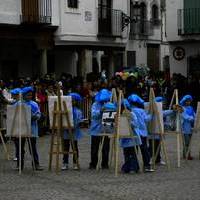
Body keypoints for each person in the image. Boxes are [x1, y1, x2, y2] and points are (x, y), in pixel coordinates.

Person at [16, 86, 43, 170]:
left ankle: (36, 164)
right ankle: (20, 164)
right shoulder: (18, 104)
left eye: (31, 95)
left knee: (33, 147)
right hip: (21, 128)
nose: (29, 96)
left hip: (32, 128)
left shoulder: (34, 104)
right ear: (24, 95)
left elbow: (39, 114)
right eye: (28, 95)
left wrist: (36, 116)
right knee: (20, 148)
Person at [128, 94, 154, 172]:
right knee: (144, 150)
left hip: (134, 133)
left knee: (134, 150)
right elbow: (147, 119)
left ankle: (134, 167)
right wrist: (152, 114)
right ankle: (146, 166)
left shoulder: (129, 111)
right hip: (142, 133)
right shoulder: (141, 111)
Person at [89, 89, 111, 169]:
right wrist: (100, 111)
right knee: (94, 148)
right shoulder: (95, 104)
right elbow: (93, 115)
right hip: (96, 129)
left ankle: (105, 163)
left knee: (105, 147)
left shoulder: (109, 104)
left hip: (106, 128)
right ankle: (93, 163)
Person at [62, 92, 83, 170]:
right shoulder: (65, 110)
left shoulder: (78, 111)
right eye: (71, 100)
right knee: (65, 147)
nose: (72, 102)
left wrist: (75, 126)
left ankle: (75, 162)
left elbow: (79, 120)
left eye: (74, 100)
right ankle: (65, 162)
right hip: (66, 131)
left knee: (75, 147)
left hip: (75, 131)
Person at [120, 99, 141, 173]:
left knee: (133, 153)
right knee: (126, 153)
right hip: (125, 137)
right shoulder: (119, 115)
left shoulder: (132, 114)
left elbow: (136, 124)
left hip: (133, 137)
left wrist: (129, 121)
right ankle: (127, 167)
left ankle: (133, 167)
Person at [179, 95, 196, 160]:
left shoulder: (191, 108)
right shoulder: (181, 108)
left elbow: (195, 115)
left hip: (191, 126)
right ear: (184, 101)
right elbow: (185, 116)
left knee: (189, 142)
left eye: (189, 101)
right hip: (185, 127)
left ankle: (188, 154)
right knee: (186, 142)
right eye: (187, 101)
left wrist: (195, 118)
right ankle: (186, 154)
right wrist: (192, 118)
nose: (188, 102)